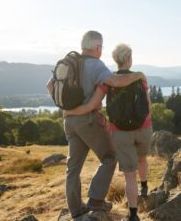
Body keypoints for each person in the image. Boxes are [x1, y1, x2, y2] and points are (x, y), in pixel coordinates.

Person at [46, 31, 146, 220]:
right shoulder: (96, 65)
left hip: (69, 121)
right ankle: (96, 199)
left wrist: (66, 108)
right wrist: (138, 75)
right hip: (88, 120)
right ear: (98, 48)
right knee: (110, 156)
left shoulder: (69, 62)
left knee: (73, 167)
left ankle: (76, 210)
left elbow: (50, 86)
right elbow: (115, 81)